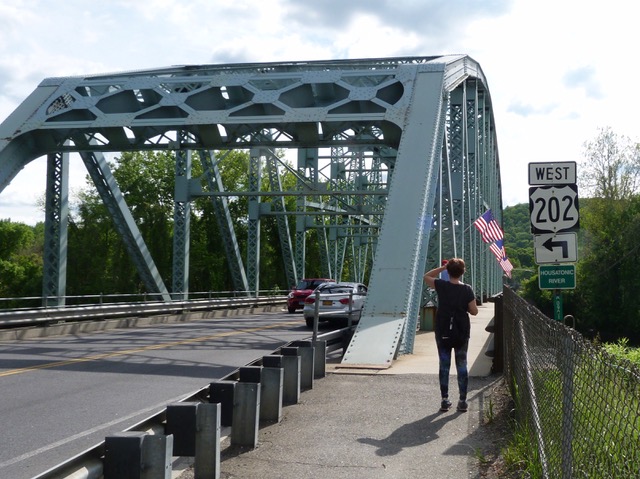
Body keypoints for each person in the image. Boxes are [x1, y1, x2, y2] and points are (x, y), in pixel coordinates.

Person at [423, 258, 478, 412]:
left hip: (443, 331)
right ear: (463, 272)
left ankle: (445, 399)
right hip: (461, 332)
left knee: (444, 364)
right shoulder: (467, 289)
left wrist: (443, 267)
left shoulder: (441, 285)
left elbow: (426, 276)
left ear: (448, 271)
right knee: (462, 365)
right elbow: (474, 311)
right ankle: (462, 400)